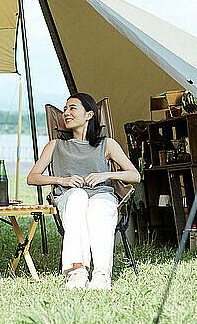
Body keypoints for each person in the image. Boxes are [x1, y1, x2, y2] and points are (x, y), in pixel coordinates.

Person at [27, 93, 140, 290]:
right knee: (78, 197)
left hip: (101, 194)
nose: (66, 113)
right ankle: (77, 271)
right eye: (64, 110)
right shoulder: (56, 146)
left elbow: (134, 175)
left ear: (89, 115)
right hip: (69, 197)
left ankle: (101, 273)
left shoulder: (107, 144)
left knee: (98, 207)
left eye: (72, 108)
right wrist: (62, 180)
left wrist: (106, 175)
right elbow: (33, 177)